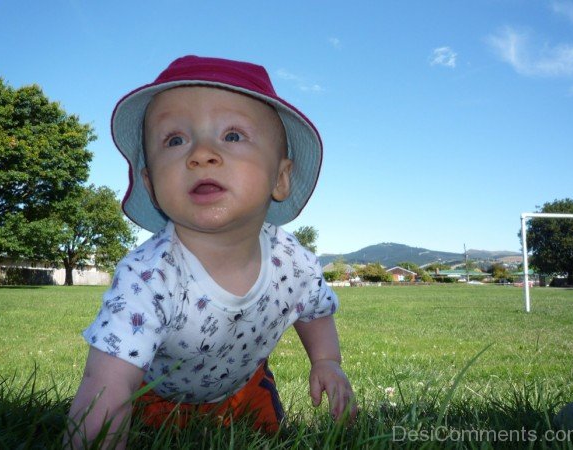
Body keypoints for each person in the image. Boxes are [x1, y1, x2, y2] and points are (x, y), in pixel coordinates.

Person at [64, 55, 356, 448]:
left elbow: (315, 310)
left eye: (232, 135)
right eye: (175, 140)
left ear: (281, 177)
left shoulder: (293, 262)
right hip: (154, 395)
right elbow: (108, 385)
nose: (201, 154)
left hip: (242, 389)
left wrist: (326, 361)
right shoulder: (148, 276)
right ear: (150, 184)